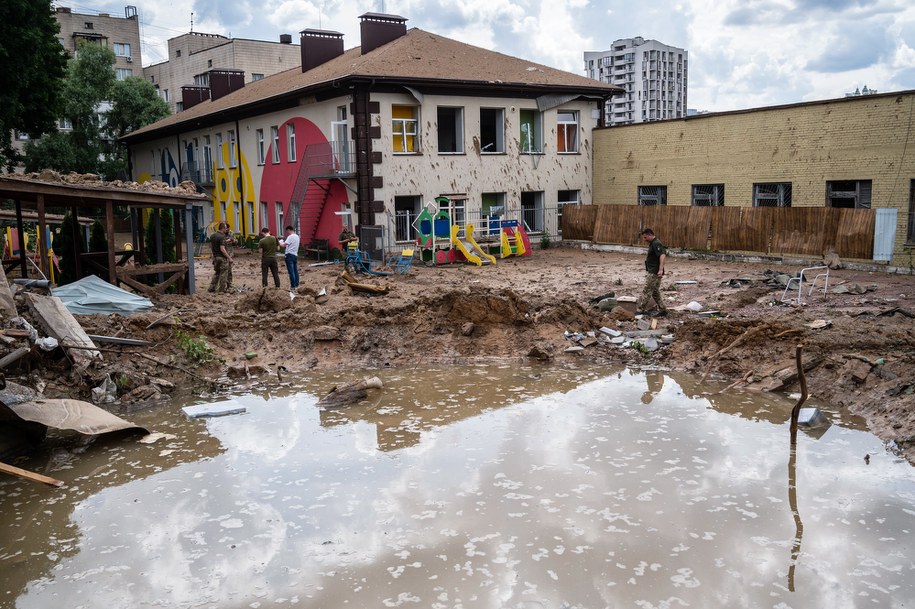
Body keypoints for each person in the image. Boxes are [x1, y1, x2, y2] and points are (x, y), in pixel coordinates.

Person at [636, 227, 668, 317]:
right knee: (654, 291)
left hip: (654, 272)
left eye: (645, 237)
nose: (645, 240)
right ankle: (663, 309)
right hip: (654, 271)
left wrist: (660, 270)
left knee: (647, 290)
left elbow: (662, 255)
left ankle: (640, 310)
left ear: (650, 235)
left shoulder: (656, 243)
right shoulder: (653, 243)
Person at [207, 222, 233, 294]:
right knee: (223, 274)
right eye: (226, 228)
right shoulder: (222, 237)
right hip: (222, 258)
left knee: (217, 272)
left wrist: (213, 256)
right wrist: (229, 258)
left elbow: (211, 246)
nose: (226, 230)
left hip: (215, 257)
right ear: (223, 228)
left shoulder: (212, 236)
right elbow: (222, 249)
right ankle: (221, 290)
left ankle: (212, 287)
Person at [279, 225, 300, 290]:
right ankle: (296, 285)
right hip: (295, 254)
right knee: (295, 271)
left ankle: (293, 286)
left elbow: (283, 245)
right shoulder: (297, 236)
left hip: (289, 255)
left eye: (287, 231)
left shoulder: (290, 237)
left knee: (291, 271)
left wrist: (279, 242)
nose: (287, 232)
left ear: (289, 230)